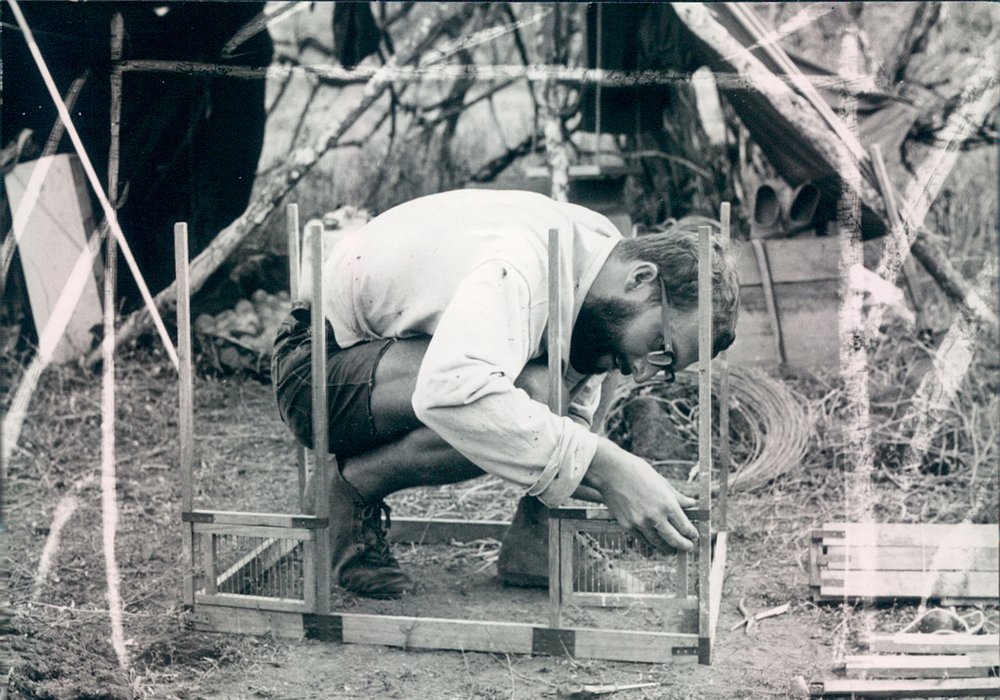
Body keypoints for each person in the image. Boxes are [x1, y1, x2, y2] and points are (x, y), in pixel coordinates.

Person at [272, 189, 740, 599]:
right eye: (660, 348)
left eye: (665, 368)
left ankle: (537, 540)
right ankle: (350, 488)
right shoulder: (522, 263)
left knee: (583, 366)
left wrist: (624, 487)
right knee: (526, 390)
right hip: (314, 368)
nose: (643, 372)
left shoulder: (598, 258)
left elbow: (572, 406)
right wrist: (610, 465)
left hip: (386, 364)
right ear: (641, 278)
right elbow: (452, 386)